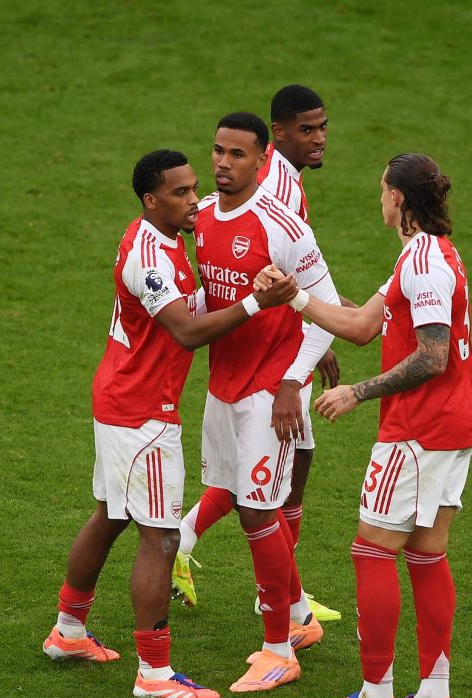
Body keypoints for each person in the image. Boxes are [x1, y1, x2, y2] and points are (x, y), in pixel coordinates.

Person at [40, 149, 297, 698]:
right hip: (142, 414)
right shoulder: (151, 258)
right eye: (180, 193)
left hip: (120, 399)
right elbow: (186, 331)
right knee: (158, 539)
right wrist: (256, 302)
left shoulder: (160, 240)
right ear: (150, 200)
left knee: (109, 516)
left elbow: (192, 305)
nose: (194, 201)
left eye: (193, 188)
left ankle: (68, 631)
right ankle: (154, 673)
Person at [259, 152, 472, 698]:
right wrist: (296, 297)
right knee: (428, 556)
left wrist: (359, 391)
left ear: (399, 199)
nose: (378, 198)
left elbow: (430, 357)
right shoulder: (422, 255)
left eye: (382, 189)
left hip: (419, 432)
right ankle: (432, 697)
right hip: (453, 427)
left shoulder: (424, 265)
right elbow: (360, 327)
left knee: (372, 550)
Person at [171, 85, 342, 625]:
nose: (223, 163)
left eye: (237, 154)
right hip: (224, 383)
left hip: (272, 384)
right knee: (238, 493)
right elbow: (200, 288)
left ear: (261, 158)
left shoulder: (282, 220)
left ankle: (284, 634)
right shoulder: (199, 217)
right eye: (218, 152)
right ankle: (290, 606)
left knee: (258, 506)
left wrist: (295, 379)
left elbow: (324, 302)